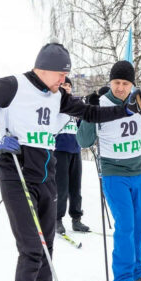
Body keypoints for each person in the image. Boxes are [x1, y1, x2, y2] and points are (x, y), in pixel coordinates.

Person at [0, 42, 139, 281]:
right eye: (60, 75)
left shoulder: (56, 94)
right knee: (32, 247)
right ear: (44, 69)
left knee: (47, 246)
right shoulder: (12, 85)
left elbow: (89, 113)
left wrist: (124, 111)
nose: (64, 81)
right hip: (17, 174)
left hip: (46, 173)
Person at [76, 60, 141, 281]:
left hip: (138, 171)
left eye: (125, 83)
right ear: (110, 82)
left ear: (132, 84)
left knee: (140, 226)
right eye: (116, 82)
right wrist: (89, 112)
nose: (120, 87)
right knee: (126, 225)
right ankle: (123, 278)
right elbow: (84, 142)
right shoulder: (102, 102)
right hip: (113, 173)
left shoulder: (138, 100)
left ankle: (137, 272)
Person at [55, 77, 89, 234]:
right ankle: (57, 219)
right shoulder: (55, 102)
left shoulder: (75, 104)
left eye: (69, 85)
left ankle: (76, 219)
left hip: (75, 149)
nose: (67, 87)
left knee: (76, 187)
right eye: (63, 85)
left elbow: (80, 124)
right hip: (60, 149)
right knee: (61, 187)